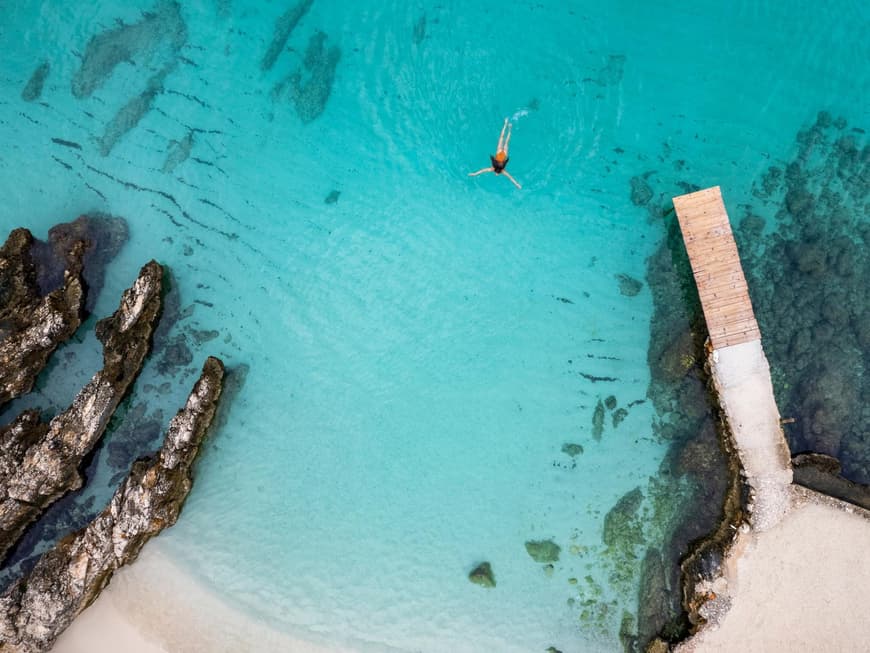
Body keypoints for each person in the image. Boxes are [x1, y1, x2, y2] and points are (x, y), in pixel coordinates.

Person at [468, 118, 522, 189]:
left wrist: (517, 184)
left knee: (506, 142)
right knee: (502, 138)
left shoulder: (502, 171)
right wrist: (474, 174)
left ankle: (509, 128)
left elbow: (510, 178)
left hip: (504, 154)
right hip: (499, 152)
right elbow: (483, 171)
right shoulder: (493, 168)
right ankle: (505, 124)